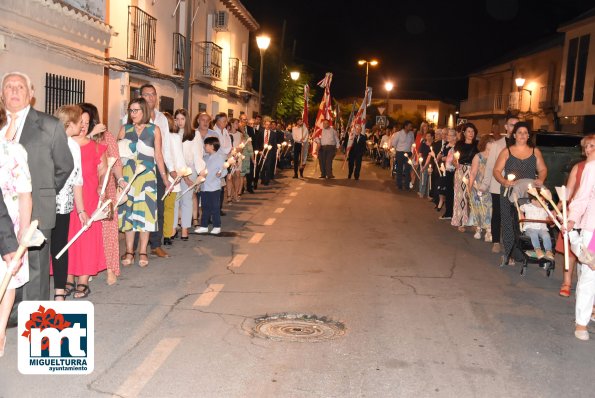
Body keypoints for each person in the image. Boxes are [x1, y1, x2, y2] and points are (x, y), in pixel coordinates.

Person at [1, 72, 73, 324]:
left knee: (36, 267)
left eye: (20, 86)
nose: (14, 91)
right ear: (2, 94)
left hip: (36, 208)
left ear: (31, 94)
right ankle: (7, 315)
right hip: (2, 212)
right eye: (8, 86)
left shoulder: (49, 125)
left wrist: (43, 192)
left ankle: (33, 321)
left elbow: (65, 165)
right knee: (6, 262)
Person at [118, 98, 169, 268]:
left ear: (144, 111)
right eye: (130, 111)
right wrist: (117, 179)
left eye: (136, 110)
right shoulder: (125, 129)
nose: (133, 114)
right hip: (128, 178)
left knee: (145, 215)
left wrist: (165, 179)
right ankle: (129, 251)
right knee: (129, 215)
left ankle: (143, 251)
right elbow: (117, 155)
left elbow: (158, 156)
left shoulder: (154, 130)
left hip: (147, 178)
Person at [65, 104, 108, 299]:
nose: (83, 126)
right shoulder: (64, 144)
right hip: (67, 197)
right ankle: (67, 277)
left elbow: (102, 170)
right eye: (80, 122)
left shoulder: (97, 146)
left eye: (87, 123)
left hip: (89, 196)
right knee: (67, 236)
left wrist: (101, 185)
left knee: (87, 238)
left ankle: (83, 280)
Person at [80, 103, 125, 286]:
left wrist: (121, 181)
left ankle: (110, 269)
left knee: (108, 230)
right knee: (88, 231)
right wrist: (90, 135)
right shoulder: (77, 138)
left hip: (105, 189)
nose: (82, 123)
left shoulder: (106, 136)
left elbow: (116, 162)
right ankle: (87, 267)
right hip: (83, 190)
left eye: (85, 119)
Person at [0, 110, 32, 356]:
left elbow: (24, 193)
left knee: (6, 278)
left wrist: (22, 232)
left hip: (7, 222)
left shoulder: (13, 151)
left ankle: (0, 331)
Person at [493, 122, 547, 264]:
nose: (522, 135)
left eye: (525, 132)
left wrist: (541, 179)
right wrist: (504, 181)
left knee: (526, 223)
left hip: (528, 193)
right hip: (509, 191)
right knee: (508, 222)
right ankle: (510, 253)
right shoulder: (507, 151)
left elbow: (542, 169)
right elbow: (496, 171)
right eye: (520, 132)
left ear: (528, 135)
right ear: (514, 135)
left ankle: (528, 252)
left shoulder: (535, 151)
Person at [51, 105, 85, 299]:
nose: (82, 125)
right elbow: (76, 181)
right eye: (79, 122)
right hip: (60, 203)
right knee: (59, 247)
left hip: (48, 202)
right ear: (69, 124)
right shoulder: (71, 145)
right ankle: (59, 293)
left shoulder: (48, 140)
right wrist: (81, 210)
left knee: (48, 248)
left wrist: (81, 211)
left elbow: (76, 181)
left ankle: (56, 291)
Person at [557, 134, 595, 297]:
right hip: (577, 210)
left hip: (590, 215)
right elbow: (569, 190)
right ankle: (567, 282)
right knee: (572, 249)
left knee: (587, 255)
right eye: (586, 146)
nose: (588, 149)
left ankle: (587, 293)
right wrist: (559, 207)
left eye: (592, 146)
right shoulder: (579, 167)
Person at [138, 84, 170, 258]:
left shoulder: (162, 118)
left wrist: (168, 169)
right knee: (137, 205)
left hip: (158, 166)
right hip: (139, 167)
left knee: (158, 205)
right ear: (140, 96)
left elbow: (165, 147)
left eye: (153, 94)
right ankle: (134, 245)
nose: (150, 98)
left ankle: (156, 244)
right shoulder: (132, 115)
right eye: (146, 95)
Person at [566, 154, 595, 341]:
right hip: (593, 228)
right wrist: (571, 219)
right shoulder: (593, 167)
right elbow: (582, 197)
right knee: (589, 276)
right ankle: (581, 322)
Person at [482, 116, 518, 253]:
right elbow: (490, 167)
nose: (514, 127)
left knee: (513, 215)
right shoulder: (497, 145)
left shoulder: (524, 146)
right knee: (497, 213)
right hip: (498, 185)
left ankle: (513, 243)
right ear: (506, 127)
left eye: (516, 125)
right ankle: (496, 241)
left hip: (516, 187)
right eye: (511, 124)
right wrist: (485, 185)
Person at [179, 109, 205, 240]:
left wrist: (201, 173)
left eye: (182, 119)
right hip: (176, 170)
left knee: (187, 199)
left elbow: (197, 154)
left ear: (187, 120)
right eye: (177, 119)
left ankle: (185, 229)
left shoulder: (195, 134)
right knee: (176, 200)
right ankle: (173, 228)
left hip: (190, 170)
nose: (179, 122)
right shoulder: (173, 133)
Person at [162, 112, 185, 246]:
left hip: (172, 176)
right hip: (158, 176)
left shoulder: (174, 137)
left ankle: (167, 234)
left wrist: (179, 173)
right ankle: (157, 234)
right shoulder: (155, 135)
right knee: (159, 208)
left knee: (169, 207)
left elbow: (179, 157)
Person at [196, 137, 227, 235]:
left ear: (212, 146)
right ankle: (204, 226)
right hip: (205, 187)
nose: (204, 147)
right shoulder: (205, 157)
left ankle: (217, 226)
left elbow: (224, 170)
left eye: (206, 145)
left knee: (215, 207)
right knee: (205, 207)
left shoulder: (219, 157)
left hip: (214, 187)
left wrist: (220, 174)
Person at [451, 123, 479, 232]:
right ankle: (461, 221)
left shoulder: (478, 144)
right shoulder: (459, 144)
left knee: (474, 196)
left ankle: (474, 221)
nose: (471, 133)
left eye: (473, 131)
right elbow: (454, 159)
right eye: (468, 131)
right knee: (461, 196)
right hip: (461, 171)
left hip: (474, 170)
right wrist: (455, 163)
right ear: (464, 133)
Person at [468, 134, 495, 241]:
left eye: (494, 142)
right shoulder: (478, 156)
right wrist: (469, 187)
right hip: (478, 186)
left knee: (490, 209)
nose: (493, 144)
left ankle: (488, 231)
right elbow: (473, 173)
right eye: (490, 142)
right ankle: (478, 229)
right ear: (485, 143)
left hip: (491, 187)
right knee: (478, 208)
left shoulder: (496, 157)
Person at [519, 195, 554, 259]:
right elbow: (520, 209)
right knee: (533, 234)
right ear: (533, 201)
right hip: (530, 228)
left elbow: (547, 218)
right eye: (540, 200)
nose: (543, 202)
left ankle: (548, 250)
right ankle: (537, 249)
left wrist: (550, 219)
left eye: (543, 200)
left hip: (541, 228)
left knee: (546, 235)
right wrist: (521, 215)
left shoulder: (545, 208)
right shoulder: (527, 206)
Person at [438, 129, 457, 220]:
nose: (447, 136)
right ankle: (448, 211)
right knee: (447, 192)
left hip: (453, 171)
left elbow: (456, 159)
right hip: (445, 170)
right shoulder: (446, 145)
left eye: (450, 135)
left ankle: (450, 213)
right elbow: (441, 156)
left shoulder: (456, 147)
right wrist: (442, 158)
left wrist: (447, 158)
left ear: (454, 137)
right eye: (448, 135)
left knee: (451, 193)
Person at [390, 120, 415, 190]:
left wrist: (412, 153)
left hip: (408, 153)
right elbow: (394, 143)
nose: (411, 128)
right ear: (405, 126)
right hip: (400, 153)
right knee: (399, 169)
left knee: (407, 170)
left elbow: (413, 143)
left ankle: (407, 186)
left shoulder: (411, 134)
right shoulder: (398, 134)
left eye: (411, 126)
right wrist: (397, 151)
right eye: (410, 126)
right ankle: (399, 185)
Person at [226, 118, 242, 203]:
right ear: (231, 124)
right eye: (236, 123)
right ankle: (229, 195)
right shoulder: (227, 134)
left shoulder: (239, 134)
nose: (237, 125)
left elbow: (242, 147)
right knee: (229, 177)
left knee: (237, 175)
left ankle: (236, 193)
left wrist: (237, 151)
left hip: (238, 157)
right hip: (229, 157)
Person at [238, 114, 255, 193]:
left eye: (246, 119)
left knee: (249, 172)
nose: (245, 121)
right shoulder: (237, 129)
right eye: (244, 119)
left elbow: (252, 142)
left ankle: (249, 187)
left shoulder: (250, 129)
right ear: (240, 119)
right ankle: (240, 189)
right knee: (241, 173)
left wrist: (253, 155)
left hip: (249, 154)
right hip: (240, 154)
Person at [418, 130, 434, 198]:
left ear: (432, 137)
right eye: (426, 136)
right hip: (423, 161)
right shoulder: (423, 143)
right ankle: (421, 192)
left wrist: (425, 166)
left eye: (429, 136)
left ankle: (428, 194)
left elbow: (430, 156)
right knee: (423, 178)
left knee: (428, 178)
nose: (427, 137)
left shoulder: (433, 144)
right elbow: (420, 153)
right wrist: (420, 162)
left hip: (430, 163)